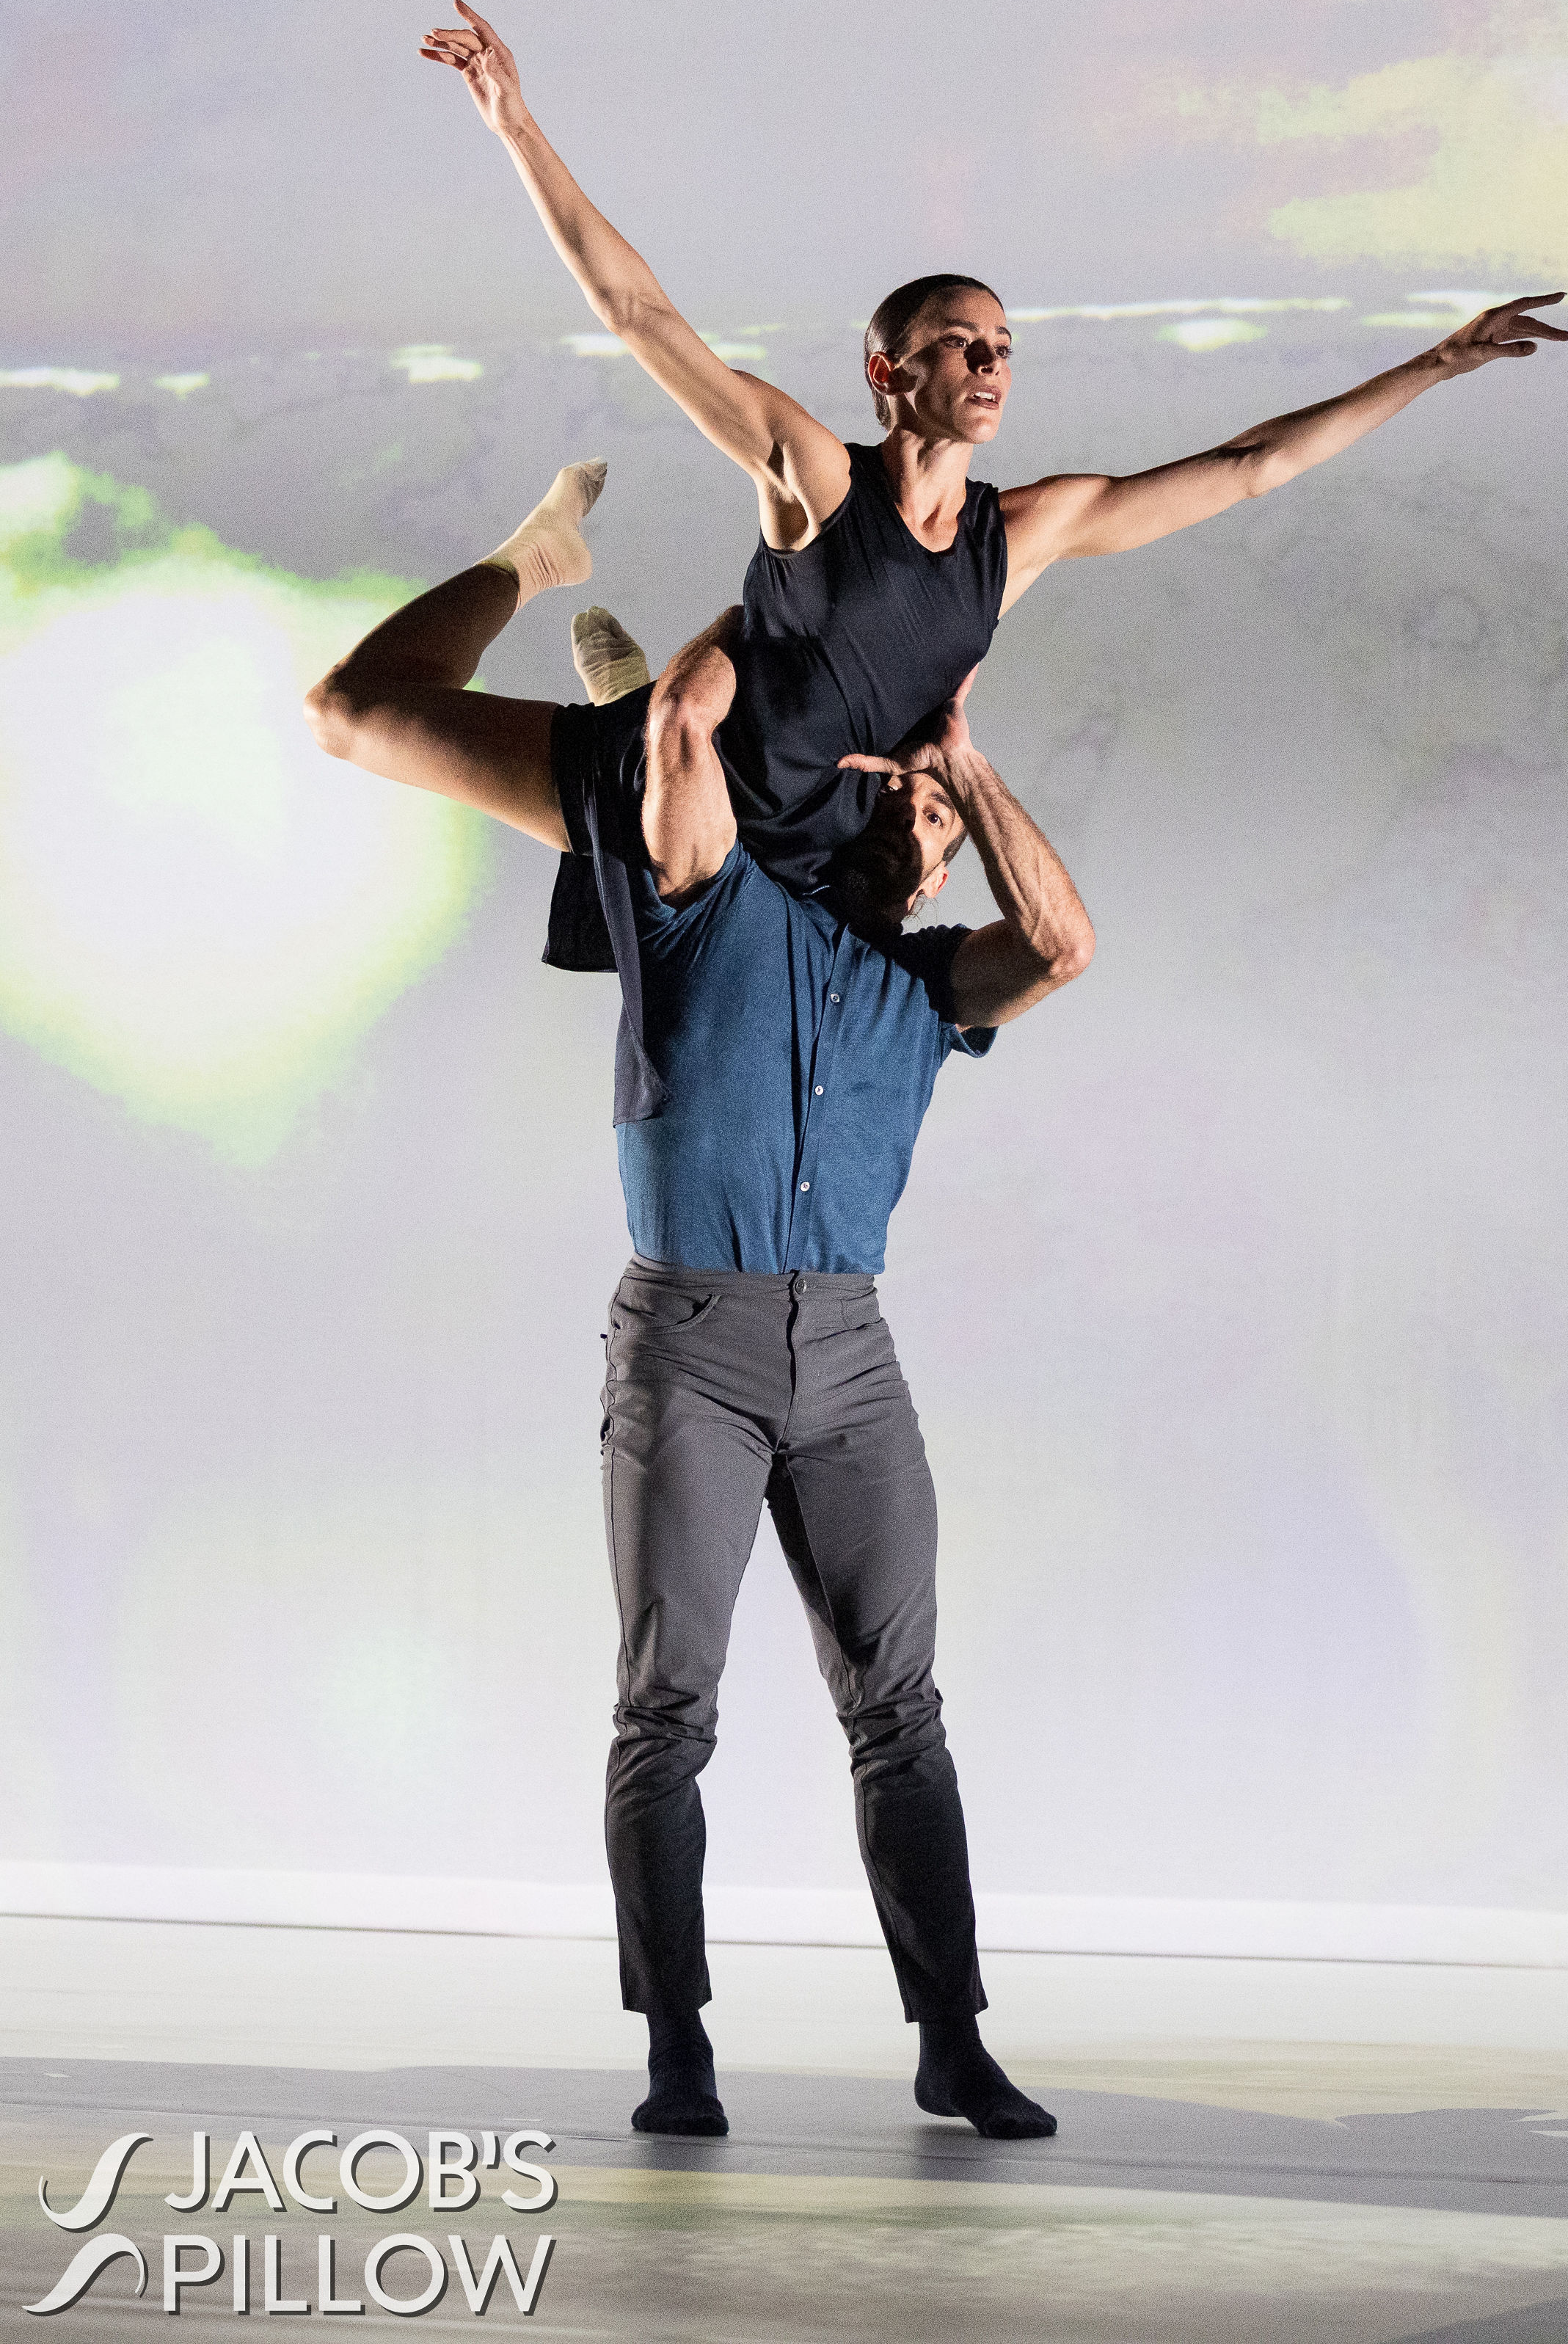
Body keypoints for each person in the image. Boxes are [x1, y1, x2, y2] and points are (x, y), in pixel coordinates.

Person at [304, 465, 1095, 2142]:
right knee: (667, 1709)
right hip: (693, 1341)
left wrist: (967, 767)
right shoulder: (715, 904)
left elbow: (1066, 944)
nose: (926, 834)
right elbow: (686, 726)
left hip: (851, 1355)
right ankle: (678, 2048)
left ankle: (953, 2039)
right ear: (837, 802)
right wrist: (805, 608)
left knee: (901, 1711)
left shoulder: (928, 987)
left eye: (939, 829)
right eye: (906, 805)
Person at [417, 0, 1568, 956]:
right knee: (359, 714)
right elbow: (639, 313)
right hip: (681, 799)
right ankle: (565, 603)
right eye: (961, 343)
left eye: (1004, 347)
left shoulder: (1021, 535)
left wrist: (1434, 365)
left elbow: (1251, 466)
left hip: (811, 862)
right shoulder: (814, 477)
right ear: (889, 370)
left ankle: (627, 682)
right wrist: (515, 121)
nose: (989, 363)